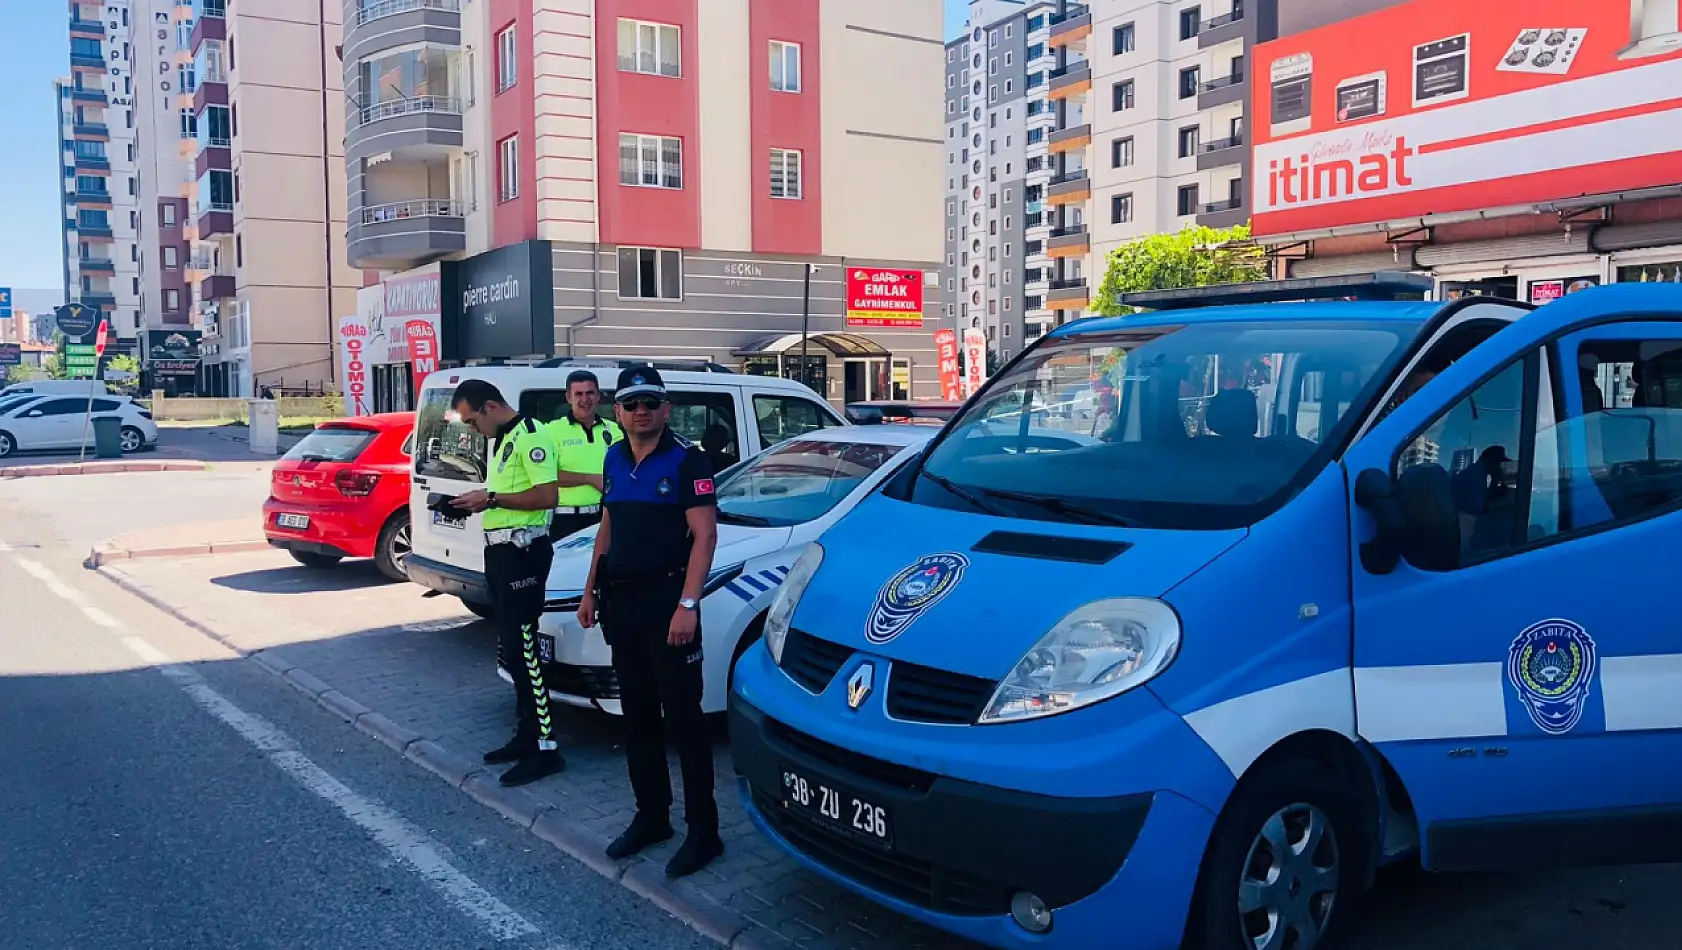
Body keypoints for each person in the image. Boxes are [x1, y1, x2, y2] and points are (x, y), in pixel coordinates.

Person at [576, 366, 723, 878]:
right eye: (632, 402)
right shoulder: (614, 457)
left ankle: (704, 832)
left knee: (685, 722)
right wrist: (590, 588)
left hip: (668, 604)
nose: (642, 411)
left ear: (666, 409)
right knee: (637, 718)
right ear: (617, 411)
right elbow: (608, 524)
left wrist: (688, 605)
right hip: (623, 604)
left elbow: (705, 537)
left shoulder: (688, 460)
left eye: (651, 402)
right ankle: (652, 817)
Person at [448, 379, 566, 787]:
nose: (472, 430)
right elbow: (508, 493)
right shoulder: (504, 439)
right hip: (500, 553)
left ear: (491, 406)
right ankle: (526, 735)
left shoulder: (532, 435)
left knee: (526, 650)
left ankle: (546, 746)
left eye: (472, 421)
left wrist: (492, 500)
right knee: (512, 651)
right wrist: (481, 498)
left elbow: (547, 495)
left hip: (524, 555)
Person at [544, 370, 622, 541]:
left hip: (606, 516)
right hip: (566, 521)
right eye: (578, 394)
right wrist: (590, 478)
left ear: (598, 396)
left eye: (590, 393)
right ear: (569, 398)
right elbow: (544, 476)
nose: (585, 400)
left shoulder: (614, 430)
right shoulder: (551, 431)